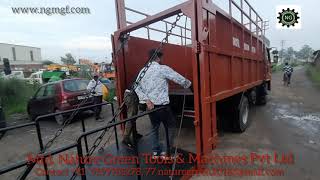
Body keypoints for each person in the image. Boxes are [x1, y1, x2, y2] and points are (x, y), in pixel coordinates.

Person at [135, 49, 192, 159]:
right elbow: (177, 78)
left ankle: (155, 153)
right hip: (162, 106)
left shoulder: (143, 70)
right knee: (170, 127)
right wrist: (190, 84)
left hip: (150, 106)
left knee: (154, 129)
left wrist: (146, 100)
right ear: (158, 58)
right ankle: (167, 153)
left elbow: (136, 86)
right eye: (161, 58)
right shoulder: (162, 68)